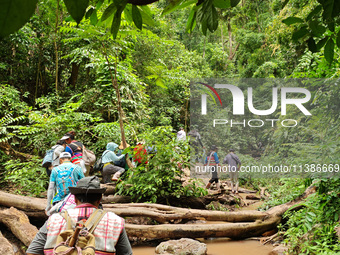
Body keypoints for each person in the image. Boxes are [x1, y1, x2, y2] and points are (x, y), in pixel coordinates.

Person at [26, 176, 133, 255]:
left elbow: (32, 252)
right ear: (99, 199)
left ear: (75, 199)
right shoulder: (115, 221)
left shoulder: (54, 219)